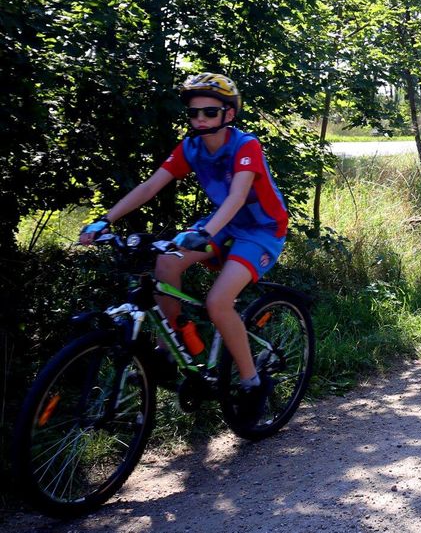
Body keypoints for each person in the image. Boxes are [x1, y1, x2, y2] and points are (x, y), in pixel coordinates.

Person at [78, 73, 288, 425]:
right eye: (194, 113)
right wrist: (105, 220)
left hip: (261, 228)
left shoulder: (245, 145)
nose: (200, 119)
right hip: (221, 222)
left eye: (209, 112)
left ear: (228, 114)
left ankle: (252, 383)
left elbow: (237, 197)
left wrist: (203, 233)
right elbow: (150, 186)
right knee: (165, 262)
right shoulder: (191, 147)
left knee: (218, 302)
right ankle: (169, 351)